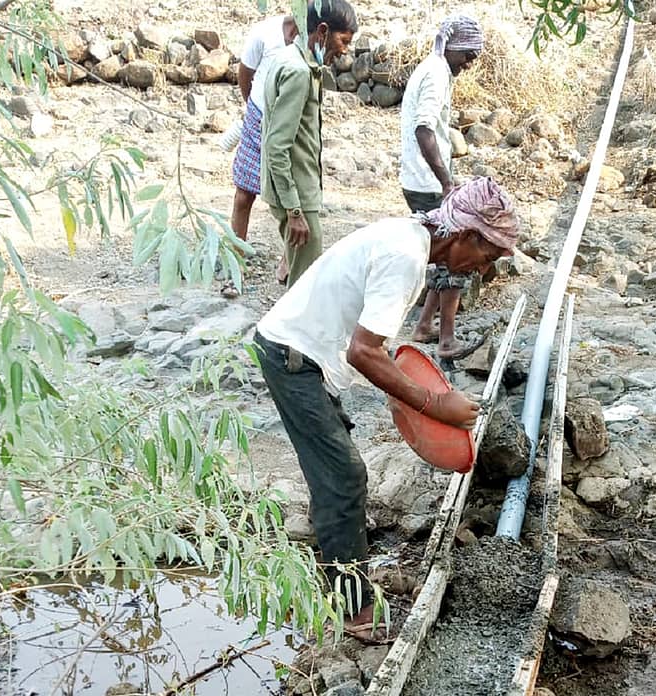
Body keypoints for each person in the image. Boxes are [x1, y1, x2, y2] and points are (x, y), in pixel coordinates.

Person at [254, 177, 519, 643]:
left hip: (306, 351)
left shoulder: (407, 238)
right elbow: (364, 352)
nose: (482, 269)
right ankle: (351, 608)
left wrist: (403, 395)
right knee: (345, 476)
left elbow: (377, 346)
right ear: (466, 236)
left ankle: (334, 566)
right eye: (487, 256)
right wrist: (435, 403)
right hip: (292, 357)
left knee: (333, 471)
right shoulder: (406, 258)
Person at [400, 14, 484, 360]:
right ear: (454, 47)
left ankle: (424, 326)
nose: (468, 63)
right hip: (426, 181)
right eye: (468, 55)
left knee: (441, 253)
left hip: (420, 177)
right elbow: (424, 129)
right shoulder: (435, 74)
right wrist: (446, 182)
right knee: (457, 257)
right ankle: (447, 340)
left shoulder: (434, 69)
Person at [260, 0, 357, 288]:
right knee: (304, 289)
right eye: (343, 40)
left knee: (302, 279)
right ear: (323, 31)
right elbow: (277, 145)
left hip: (294, 190)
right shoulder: (299, 72)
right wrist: (295, 212)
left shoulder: (289, 58)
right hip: (296, 195)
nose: (344, 50)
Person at [229, 14, 299, 245]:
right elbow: (245, 72)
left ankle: (289, 260)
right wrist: (254, 109)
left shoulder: (316, 39)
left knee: (291, 197)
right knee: (244, 194)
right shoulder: (264, 32)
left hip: (292, 122)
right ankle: (236, 254)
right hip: (258, 117)